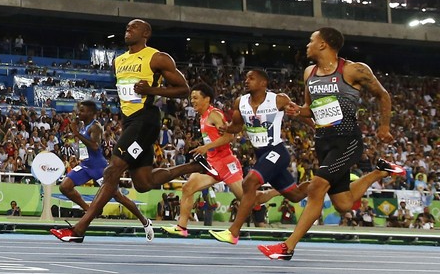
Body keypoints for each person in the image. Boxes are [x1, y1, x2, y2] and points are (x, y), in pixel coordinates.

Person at [51, 19, 209, 243]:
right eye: (126, 27)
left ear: (146, 33)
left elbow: (184, 89)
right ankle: (196, 165)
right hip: (130, 122)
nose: (128, 30)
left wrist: (151, 89)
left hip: (145, 120)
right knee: (143, 183)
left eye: (133, 27)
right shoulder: (119, 61)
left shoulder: (157, 57)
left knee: (112, 171)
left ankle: (80, 229)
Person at [257, 27, 404, 260]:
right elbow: (311, 109)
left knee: (316, 187)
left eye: (311, 40)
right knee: (343, 204)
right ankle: (379, 172)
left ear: (323, 44)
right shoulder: (309, 73)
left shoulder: (354, 70)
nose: (307, 45)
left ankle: (287, 247)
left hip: (347, 141)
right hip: (322, 142)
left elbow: (382, 95)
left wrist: (384, 126)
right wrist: (298, 110)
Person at [162, 82, 277, 237]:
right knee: (188, 188)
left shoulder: (214, 114)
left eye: (196, 98)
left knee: (250, 200)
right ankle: (181, 227)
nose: (193, 101)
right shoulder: (202, 117)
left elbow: (229, 136)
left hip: (226, 162)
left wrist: (204, 148)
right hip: (212, 164)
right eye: (191, 98)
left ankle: (278, 190)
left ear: (207, 99)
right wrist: (203, 147)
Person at [209, 69, 309, 245]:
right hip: (262, 154)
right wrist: (226, 128)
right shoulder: (240, 102)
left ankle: (233, 232)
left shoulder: (278, 99)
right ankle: (324, 183)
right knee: (296, 195)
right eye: (246, 78)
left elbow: (300, 113)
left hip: (277, 151)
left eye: (251, 78)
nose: (246, 81)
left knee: (249, 183)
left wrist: (317, 127)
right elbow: (237, 126)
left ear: (263, 83)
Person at [55, 100, 154, 241]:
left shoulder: (96, 127)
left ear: (90, 113)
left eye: (82, 111)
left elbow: (95, 146)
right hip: (85, 165)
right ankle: (89, 210)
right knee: (64, 187)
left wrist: (76, 133)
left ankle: (145, 221)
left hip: (99, 167)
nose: (79, 113)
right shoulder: (85, 125)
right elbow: (86, 143)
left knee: (118, 196)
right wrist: (75, 135)